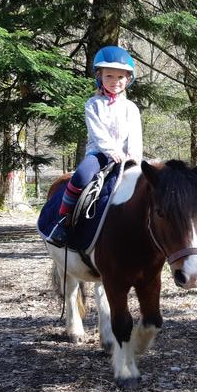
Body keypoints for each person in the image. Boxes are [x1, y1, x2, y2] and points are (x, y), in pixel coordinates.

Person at [47, 46, 143, 246]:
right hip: (99, 154)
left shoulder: (131, 108)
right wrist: (111, 150)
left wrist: (134, 156)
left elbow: (135, 135)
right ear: (100, 77)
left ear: (128, 79)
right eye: (109, 76)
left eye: (120, 77)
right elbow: (97, 132)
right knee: (81, 175)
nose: (115, 81)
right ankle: (63, 221)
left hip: (127, 157)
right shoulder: (93, 104)